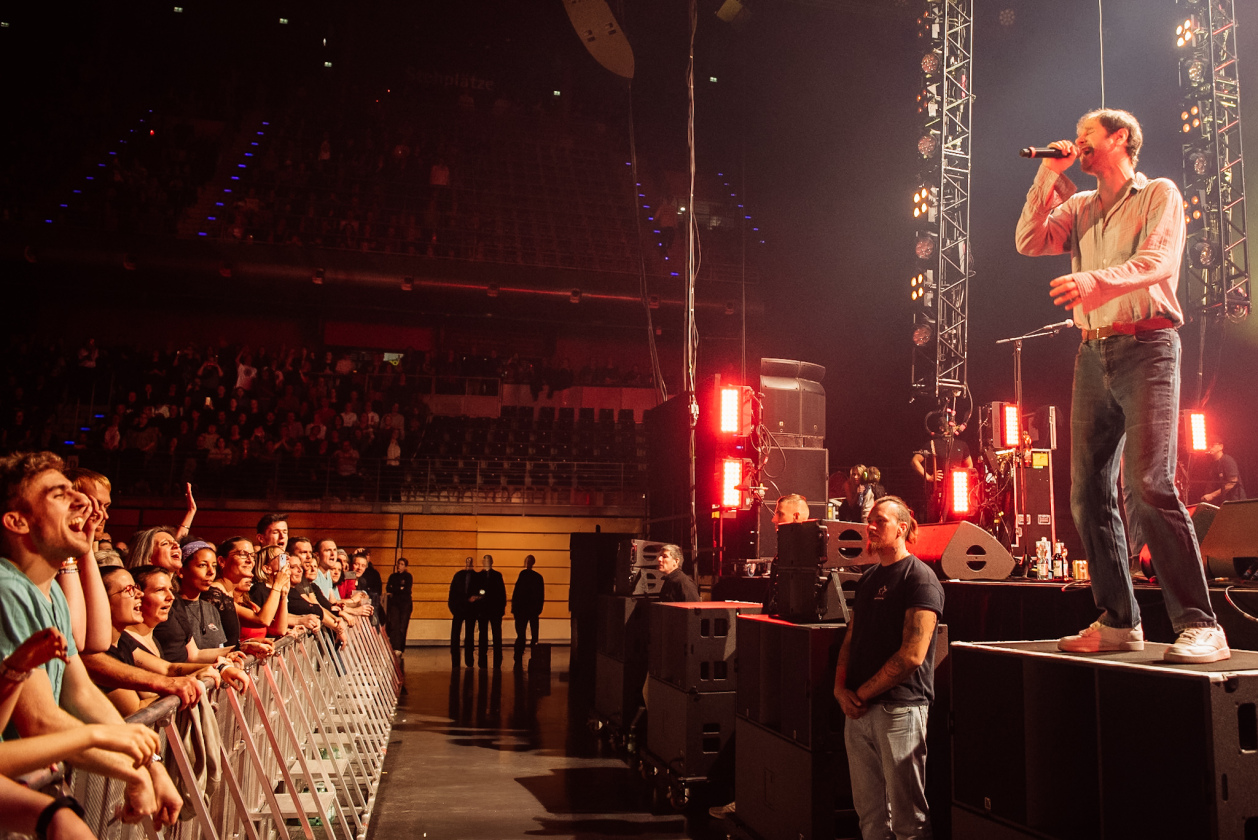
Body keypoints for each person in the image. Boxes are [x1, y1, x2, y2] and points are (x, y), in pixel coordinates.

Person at [1015, 107, 1229, 663]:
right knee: (1086, 493)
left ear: (1121, 139)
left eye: (1088, 134)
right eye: (1077, 135)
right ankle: (1119, 621)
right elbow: (1029, 241)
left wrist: (1095, 280)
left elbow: (1158, 261)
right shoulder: (1081, 206)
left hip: (1148, 346)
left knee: (1148, 483)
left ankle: (1201, 623)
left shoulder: (1159, 192)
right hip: (1092, 351)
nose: (1078, 140)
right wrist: (1047, 174)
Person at [0, 451, 183, 827]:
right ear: (17, 521)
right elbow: (40, 720)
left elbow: (79, 694)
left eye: (75, 493)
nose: (82, 503)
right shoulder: (6, 588)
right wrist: (133, 770)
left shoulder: (45, 594)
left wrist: (152, 766)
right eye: (58, 494)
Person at [833, 496, 944, 840]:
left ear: (903, 527)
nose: (871, 527)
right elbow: (851, 638)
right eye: (870, 520)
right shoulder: (867, 580)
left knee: (908, 822)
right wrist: (840, 690)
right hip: (859, 711)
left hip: (900, 710)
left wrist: (858, 694)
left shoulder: (920, 579)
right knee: (870, 817)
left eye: (880, 521)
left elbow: (912, 656)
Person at [911, 414, 973, 524]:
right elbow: (915, 461)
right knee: (937, 521)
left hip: (958, 492)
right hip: (938, 491)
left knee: (957, 523)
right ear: (942, 428)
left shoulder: (962, 445)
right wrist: (929, 477)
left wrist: (963, 478)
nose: (954, 426)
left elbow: (970, 466)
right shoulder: (933, 444)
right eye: (950, 424)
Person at [511, 555, 545, 661]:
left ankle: (519, 655)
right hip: (530, 610)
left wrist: (515, 608)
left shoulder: (524, 575)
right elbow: (540, 595)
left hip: (524, 610)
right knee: (531, 634)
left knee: (522, 634)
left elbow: (516, 593)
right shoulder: (537, 577)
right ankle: (532, 656)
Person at [475, 554, 507, 669]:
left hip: (494, 610)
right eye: (485, 560)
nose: (487, 562)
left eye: (488, 560)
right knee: (483, 634)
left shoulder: (497, 575)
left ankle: (496, 656)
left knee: (496, 634)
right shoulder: (479, 576)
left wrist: (501, 608)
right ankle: (483, 654)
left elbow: (502, 593)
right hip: (484, 610)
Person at [447, 556, 478, 667]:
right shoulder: (459, 576)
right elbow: (452, 593)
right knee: (456, 633)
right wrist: (453, 607)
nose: (469, 564)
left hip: (470, 609)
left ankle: (467, 659)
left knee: (469, 634)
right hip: (459, 608)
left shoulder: (476, 576)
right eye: (467, 562)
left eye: (470, 562)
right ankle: (458, 657)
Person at [385, 558, 414, 656]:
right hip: (394, 604)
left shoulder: (408, 576)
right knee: (394, 625)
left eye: (402, 564)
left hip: (405, 604)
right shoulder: (393, 576)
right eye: (398, 564)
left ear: (405, 566)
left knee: (403, 626)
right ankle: (395, 646)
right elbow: (388, 587)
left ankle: (401, 647)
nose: (399, 566)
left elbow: (406, 589)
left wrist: (396, 589)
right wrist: (399, 588)